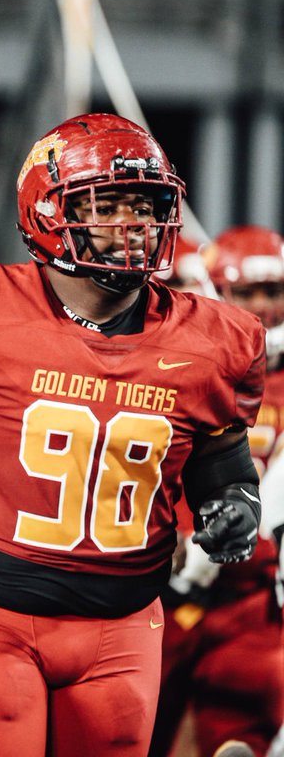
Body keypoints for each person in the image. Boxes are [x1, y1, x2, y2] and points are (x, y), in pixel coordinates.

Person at [0, 113, 267, 757]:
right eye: (108, 204)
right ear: (48, 212)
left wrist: (234, 503)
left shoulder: (218, 339)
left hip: (125, 628)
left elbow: (222, 460)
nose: (133, 225)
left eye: (145, 206)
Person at [149, 225, 284, 757]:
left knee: (237, 731)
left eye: (272, 291)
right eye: (246, 292)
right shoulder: (184, 368)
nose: (262, 306)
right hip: (171, 578)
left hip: (256, 597)